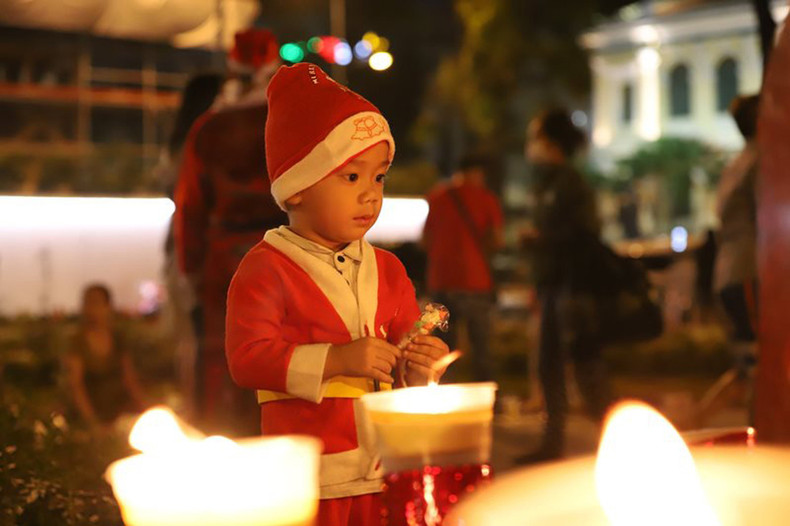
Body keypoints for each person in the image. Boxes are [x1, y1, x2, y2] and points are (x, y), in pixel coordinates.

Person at [225, 63, 450, 525]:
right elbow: (247, 357)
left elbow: (401, 360)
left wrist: (421, 363)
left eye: (379, 177)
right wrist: (338, 360)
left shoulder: (388, 269)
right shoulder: (266, 268)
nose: (371, 195)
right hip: (311, 476)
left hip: (383, 466)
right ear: (298, 188)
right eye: (352, 178)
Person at [173, 28, 287, 435]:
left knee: (225, 355)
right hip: (294, 256)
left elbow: (190, 207)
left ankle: (227, 444)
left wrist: (189, 268)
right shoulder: (296, 120)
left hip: (226, 259)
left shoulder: (207, 128)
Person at [516, 108, 610, 464]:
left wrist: (542, 240)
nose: (530, 145)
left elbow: (587, 234)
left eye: (534, 136)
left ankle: (613, 440)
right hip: (551, 284)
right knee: (549, 365)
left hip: (573, 287)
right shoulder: (546, 182)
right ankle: (552, 444)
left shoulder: (571, 183)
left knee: (586, 367)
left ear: (550, 142)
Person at [698, 94, 760, 424]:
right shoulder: (764, 161)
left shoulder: (738, 163)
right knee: (759, 363)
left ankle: (697, 420)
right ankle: (764, 435)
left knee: (748, 361)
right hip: (750, 270)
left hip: (731, 271)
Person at [422, 153, 504, 381]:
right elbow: (497, 240)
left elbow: (424, 240)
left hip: (441, 282)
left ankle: (440, 395)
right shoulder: (487, 199)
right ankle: (487, 402)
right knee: (482, 348)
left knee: (442, 348)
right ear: (478, 173)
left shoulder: (437, 197)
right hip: (475, 283)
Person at [65, 284, 146, 433]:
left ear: (107, 306)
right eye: (87, 303)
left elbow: (129, 378)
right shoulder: (78, 342)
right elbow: (76, 385)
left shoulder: (117, 338)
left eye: (95, 303)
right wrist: (92, 422)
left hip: (119, 412)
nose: (90, 309)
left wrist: (145, 409)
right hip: (91, 414)